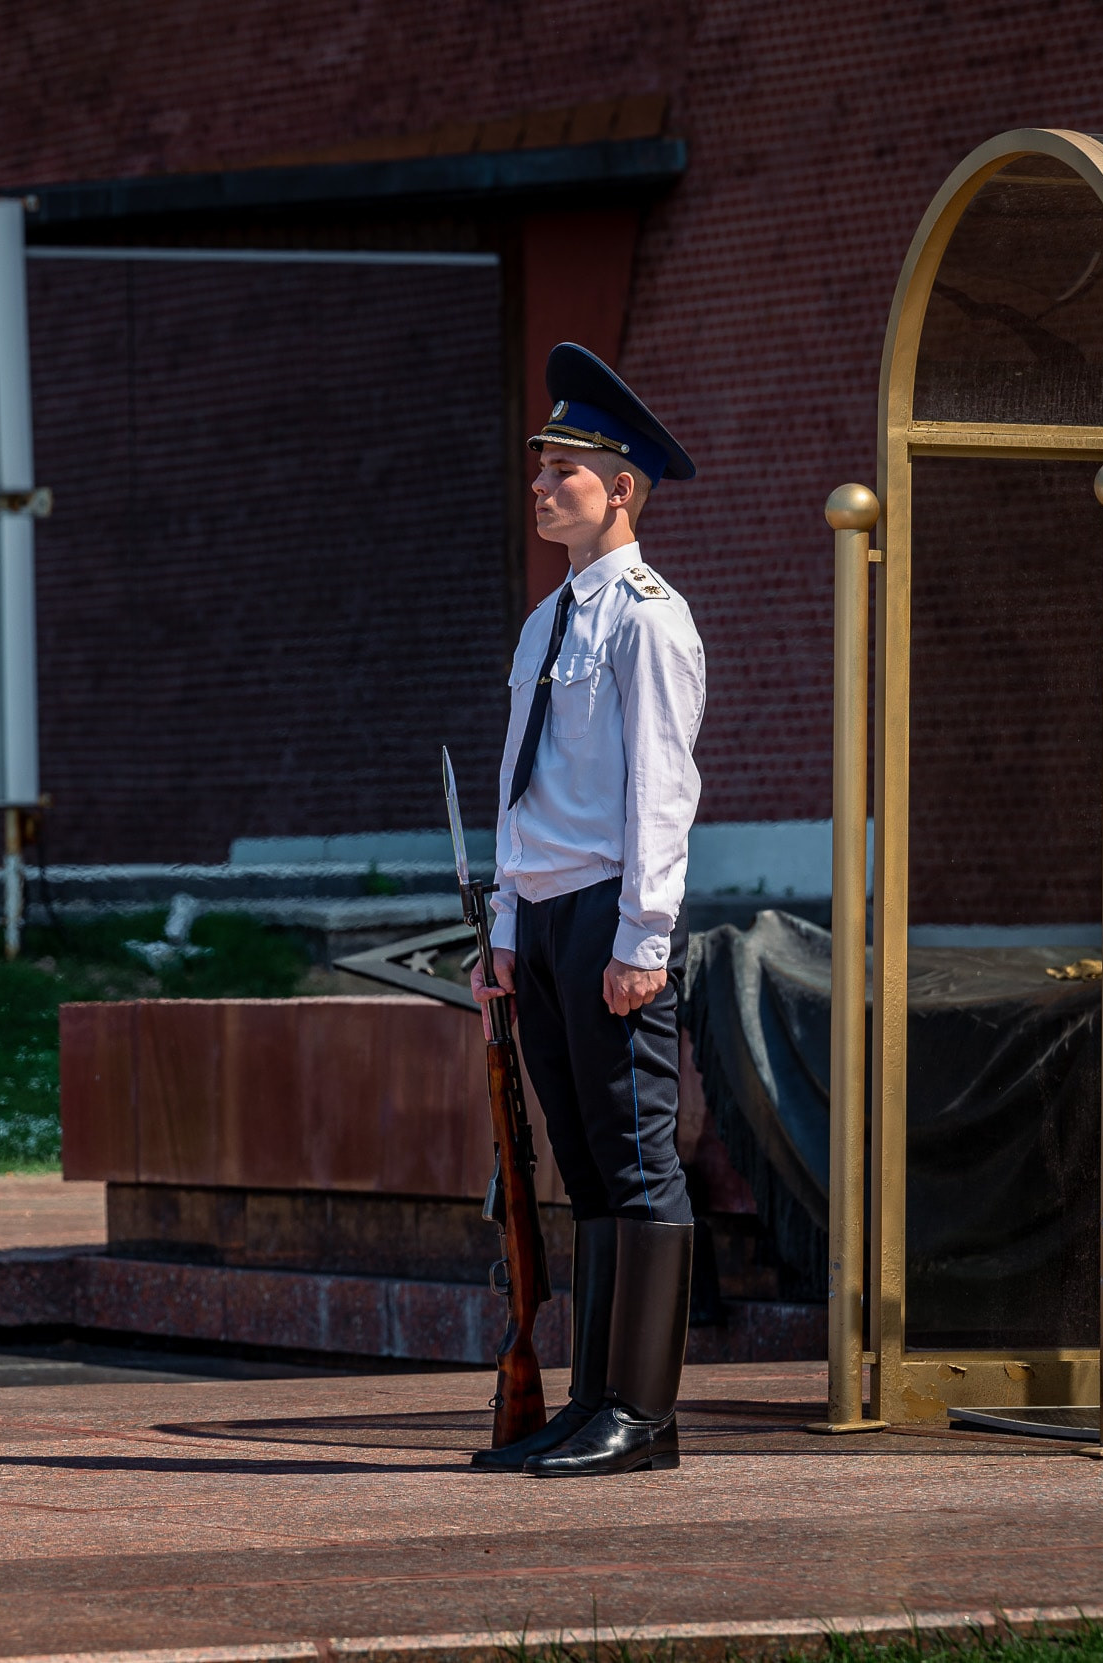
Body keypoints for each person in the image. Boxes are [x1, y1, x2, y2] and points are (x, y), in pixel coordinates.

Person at [468, 343, 705, 1478]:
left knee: (638, 1160)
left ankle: (643, 1415)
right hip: (549, 914)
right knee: (585, 1162)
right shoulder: (545, 621)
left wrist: (642, 938)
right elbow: (522, 790)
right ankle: (590, 1400)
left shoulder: (648, 619)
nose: (541, 483)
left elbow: (661, 786)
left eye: (562, 468)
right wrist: (506, 932)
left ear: (619, 488)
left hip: (611, 911)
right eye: (540, 464)